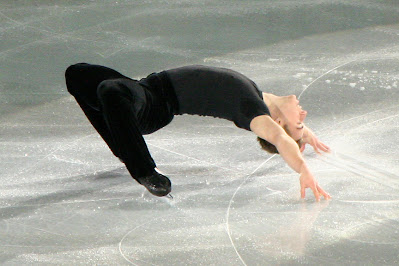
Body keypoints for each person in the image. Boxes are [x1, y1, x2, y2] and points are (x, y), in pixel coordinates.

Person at [64, 63, 331, 201]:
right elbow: (286, 131)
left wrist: (303, 168)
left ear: (278, 123)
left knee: (111, 90)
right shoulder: (260, 97)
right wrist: (303, 133)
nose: (304, 115)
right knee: (76, 74)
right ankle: (123, 144)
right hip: (143, 88)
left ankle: (145, 171)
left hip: (153, 106)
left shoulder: (252, 110)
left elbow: (281, 138)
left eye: (299, 122)